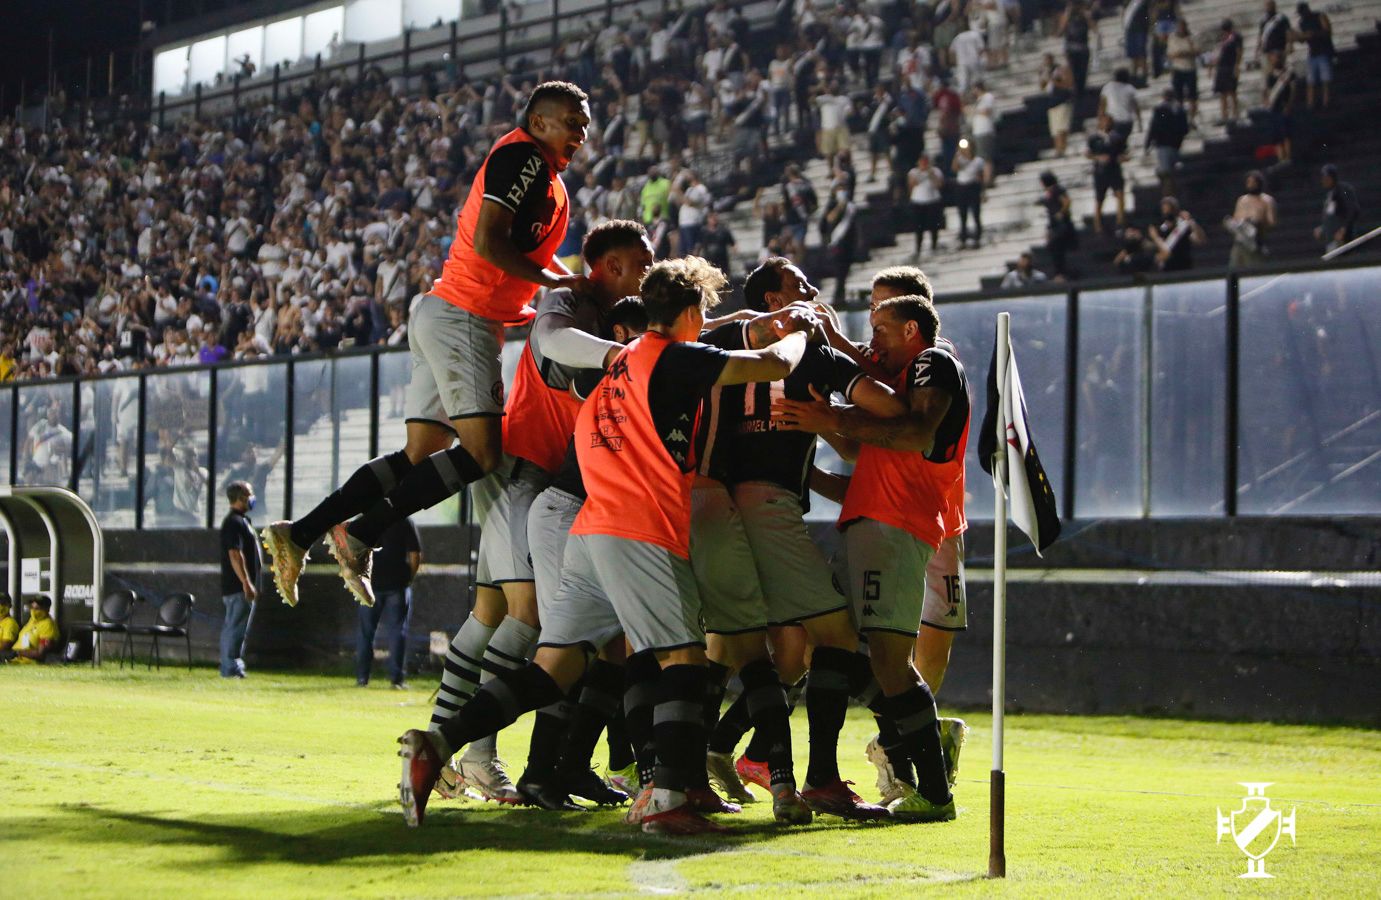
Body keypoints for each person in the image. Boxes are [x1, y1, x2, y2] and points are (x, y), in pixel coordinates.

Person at [396, 257, 814, 834]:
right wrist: (797, 333)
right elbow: (768, 365)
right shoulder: (673, 358)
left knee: (552, 670)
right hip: (636, 528)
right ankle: (667, 797)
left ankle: (437, 742)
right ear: (691, 313)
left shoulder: (618, 368)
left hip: (589, 531)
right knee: (683, 658)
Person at [260, 81, 590, 608]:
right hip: (465, 316)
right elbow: (488, 241)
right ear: (540, 120)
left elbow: (511, 248)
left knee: (422, 451)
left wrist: (561, 277)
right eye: (573, 120)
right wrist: (555, 283)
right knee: (482, 453)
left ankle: (301, 533)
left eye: (585, 124)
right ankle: (361, 533)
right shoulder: (525, 157)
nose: (582, 132)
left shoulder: (543, 175)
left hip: (446, 311)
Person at [430, 220, 655, 805]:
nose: (649, 271)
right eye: (640, 261)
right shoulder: (570, 303)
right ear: (606, 265)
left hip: (544, 481)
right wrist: (619, 352)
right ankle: (479, 756)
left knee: (493, 613)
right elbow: (553, 343)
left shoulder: (608, 322)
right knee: (539, 625)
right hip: (529, 474)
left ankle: (449, 748)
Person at [700, 259, 905, 822]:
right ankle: (821, 776)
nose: (812, 291)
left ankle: (695, 763)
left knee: (751, 648)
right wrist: (832, 415)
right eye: (798, 286)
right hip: (768, 507)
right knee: (833, 637)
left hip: (711, 504)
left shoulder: (717, 343)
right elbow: (890, 406)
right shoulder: (812, 352)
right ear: (773, 301)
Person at [772, 294, 965, 822]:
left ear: (911, 330)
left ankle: (933, 789)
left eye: (881, 328)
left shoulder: (933, 363)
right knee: (835, 647)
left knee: (886, 662)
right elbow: (861, 450)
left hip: (896, 525)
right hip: (871, 523)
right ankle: (835, 776)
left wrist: (828, 413)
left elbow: (915, 431)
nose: (872, 339)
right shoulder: (897, 384)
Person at [356, 517, 422, 688]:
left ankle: (362, 678)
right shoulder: (404, 520)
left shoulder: (364, 519)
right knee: (397, 631)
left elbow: (353, 552)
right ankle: (396, 679)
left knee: (366, 633)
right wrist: (409, 578)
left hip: (369, 585)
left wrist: (359, 579)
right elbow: (415, 554)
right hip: (398, 584)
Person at [220, 480, 261, 679]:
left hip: (239, 587)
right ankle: (231, 668)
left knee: (236, 628)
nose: (252, 497)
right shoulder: (234, 522)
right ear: (241, 497)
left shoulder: (241, 521)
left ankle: (232, 666)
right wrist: (246, 582)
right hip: (238, 587)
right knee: (235, 629)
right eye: (249, 494)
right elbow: (235, 554)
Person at [1225, 170, 1277, 269]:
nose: (1250, 185)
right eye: (1248, 182)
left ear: (1259, 183)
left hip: (1255, 241)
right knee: (1234, 269)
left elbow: (1272, 222)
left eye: (1253, 182)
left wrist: (1258, 222)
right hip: (1240, 240)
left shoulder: (1267, 200)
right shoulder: (1242, 200)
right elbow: (1236, 218)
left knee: (1255, 269)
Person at [1087, 113, 1129, 233]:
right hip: (1100, 172)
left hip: (1114, 169)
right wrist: (1098, 158)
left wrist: (1121, 158)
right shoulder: (1094, 138)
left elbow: (1124, 153)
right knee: (1100, 198)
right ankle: (1098, 224)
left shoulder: (1117, 137)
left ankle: (1120, 221)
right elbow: (1088, 153)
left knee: (1120, 194)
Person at [1145, 88, 1190, 196]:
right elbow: (1185, 129)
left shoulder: (1160, 109)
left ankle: (1168, 197)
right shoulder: (1179, 109)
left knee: (1166, 173)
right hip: (1176, 145)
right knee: (1171, 172)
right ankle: (1172, 196)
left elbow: (1154, 127)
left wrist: (1148, 143)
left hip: (1163, 145)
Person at [1038, 171, 1078, 279]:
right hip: (1054, 225)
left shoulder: (1057, 190)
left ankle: (1061, 273)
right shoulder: (1049, 193)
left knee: (1058, 247)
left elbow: (1066, 201)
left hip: (1062, 225)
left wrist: (1061, 212)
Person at [1151, 196, 1208, 270]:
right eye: (1164, 209)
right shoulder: (1159, 229)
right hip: (1167, 268)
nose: (1166, 212)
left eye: (1169, 209)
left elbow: (1200, 240)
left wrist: (1191, 223)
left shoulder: (1183, 226)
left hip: (1184, 266)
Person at [1294, 3, 1334, 109]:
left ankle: (1326, 101)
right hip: (1313, 52)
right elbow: (1303, 39)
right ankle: (1310, 103)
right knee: (1311, 80)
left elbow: (1327, 31)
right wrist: (1298, 37)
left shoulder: (1319, 16)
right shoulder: (1302, 22)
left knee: (1325, 79)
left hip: (1324, 51)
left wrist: (1313, 34)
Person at [1315, 165, 1361, 252]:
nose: (1324, 181)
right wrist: (1323, 229)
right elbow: (1331, 216)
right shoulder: (1330, 194)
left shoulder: (1344, 190)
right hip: (1332, 241)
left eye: (1327, 178)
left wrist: (1344, 229)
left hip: (1344, 240)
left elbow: (1353, 210)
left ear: (1333, 178)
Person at [1263, 55, 1298, 165]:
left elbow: (1293, 90)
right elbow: (1268, 92)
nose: (1274, 60)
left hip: (1284, 107)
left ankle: (1288, 157)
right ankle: (1281, 159)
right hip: (1274, 108)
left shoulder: (1289, 74)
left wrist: (1289, 104)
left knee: (1286, 134)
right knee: (1276, 136)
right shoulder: (1270, 76)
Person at [908, 156, 946, 258]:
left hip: (933, 201)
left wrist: (930, 174)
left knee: (933, 225)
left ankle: (934, 245)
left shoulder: (935, 171)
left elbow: (939, 184)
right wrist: (920, 173)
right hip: (918, 201)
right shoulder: (913, 172)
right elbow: (912, 184)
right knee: (918, 227)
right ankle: (918, 248)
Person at [1057, 0, 1096, 99]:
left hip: (1083, 48)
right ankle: (1075, 96)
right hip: (1071, 49)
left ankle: (1082, 95)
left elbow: (1094, 29)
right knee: (1074, 75)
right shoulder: (1067, 16)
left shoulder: (1085, 16)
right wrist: (1067, 15)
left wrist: (1086, 16)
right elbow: (1060, 32)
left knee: (1083, 74)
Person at [3, 598, 60, 664]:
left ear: (47, 609)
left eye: (37, 608)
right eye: (32, 607)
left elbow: (40, 654)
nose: (33, 611)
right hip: (13, 656)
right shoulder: (32, 621)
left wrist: (18, 652)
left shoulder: (48, 625)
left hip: (25, 660)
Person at [952, 140, 986, 249]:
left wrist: (983, 191)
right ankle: (963, 238)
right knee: (963, 214)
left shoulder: (978, 161)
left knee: (976, 213)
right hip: (962, 187)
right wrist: (958, 155)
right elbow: (954, 168)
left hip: (973, 187)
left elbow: (981, 177)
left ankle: (977, 237)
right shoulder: (960, 159)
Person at [1040, 53, 1075, 157]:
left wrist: (1053, 80)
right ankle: (1057, 149)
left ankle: (1062, 149)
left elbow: (1068, 84)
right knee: (1055, 130)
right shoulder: (1046, 72)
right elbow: (1043, 87)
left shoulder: (1059, 70)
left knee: (1061, 128)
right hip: (1052, 103)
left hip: (1062, 101)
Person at [1166, 19, 1200, 125]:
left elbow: (1197, 51)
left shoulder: (1192, 36)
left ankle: (1192, 120)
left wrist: (1188, 52)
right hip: (1178, 69)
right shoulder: (1172, 38)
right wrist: (1180, 54)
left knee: (1192, 96)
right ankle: (1181, 120)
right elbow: (1170, 54)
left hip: (1190, 68)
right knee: (1178, 96)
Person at [1211, 19, 1243, 125]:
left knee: (1232, 92)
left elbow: (1239, 52)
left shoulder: (1235, 37)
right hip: (1221, 68)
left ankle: (1235, 114)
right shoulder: (1223, 38)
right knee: (1222, 93)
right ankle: (1224, 116)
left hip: (1230, 66)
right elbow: (1218, 53)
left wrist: (1236, 66)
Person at [1099, 68, 1141, 141]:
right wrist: (1140, 123)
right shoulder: (1130, 89)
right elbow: (1136, 107)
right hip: (1127, 122)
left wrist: (1100, 121)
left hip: (1113, 121)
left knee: (1113, 142)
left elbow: (1102, 106)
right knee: (1123, 143)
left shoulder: (1108, 87)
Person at [1258, 0, 1291, 69]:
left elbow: (1288, 32)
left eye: (1270, 5)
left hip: (1279, 49)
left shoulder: (1281, 18)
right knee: (1269, 73)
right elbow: (1261, 35)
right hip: (1267, 50)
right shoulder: (1263, 20)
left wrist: (1289, 44)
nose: (1268, 7)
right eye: (1267, 5)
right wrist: (1259, 48)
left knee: (1279, 69)